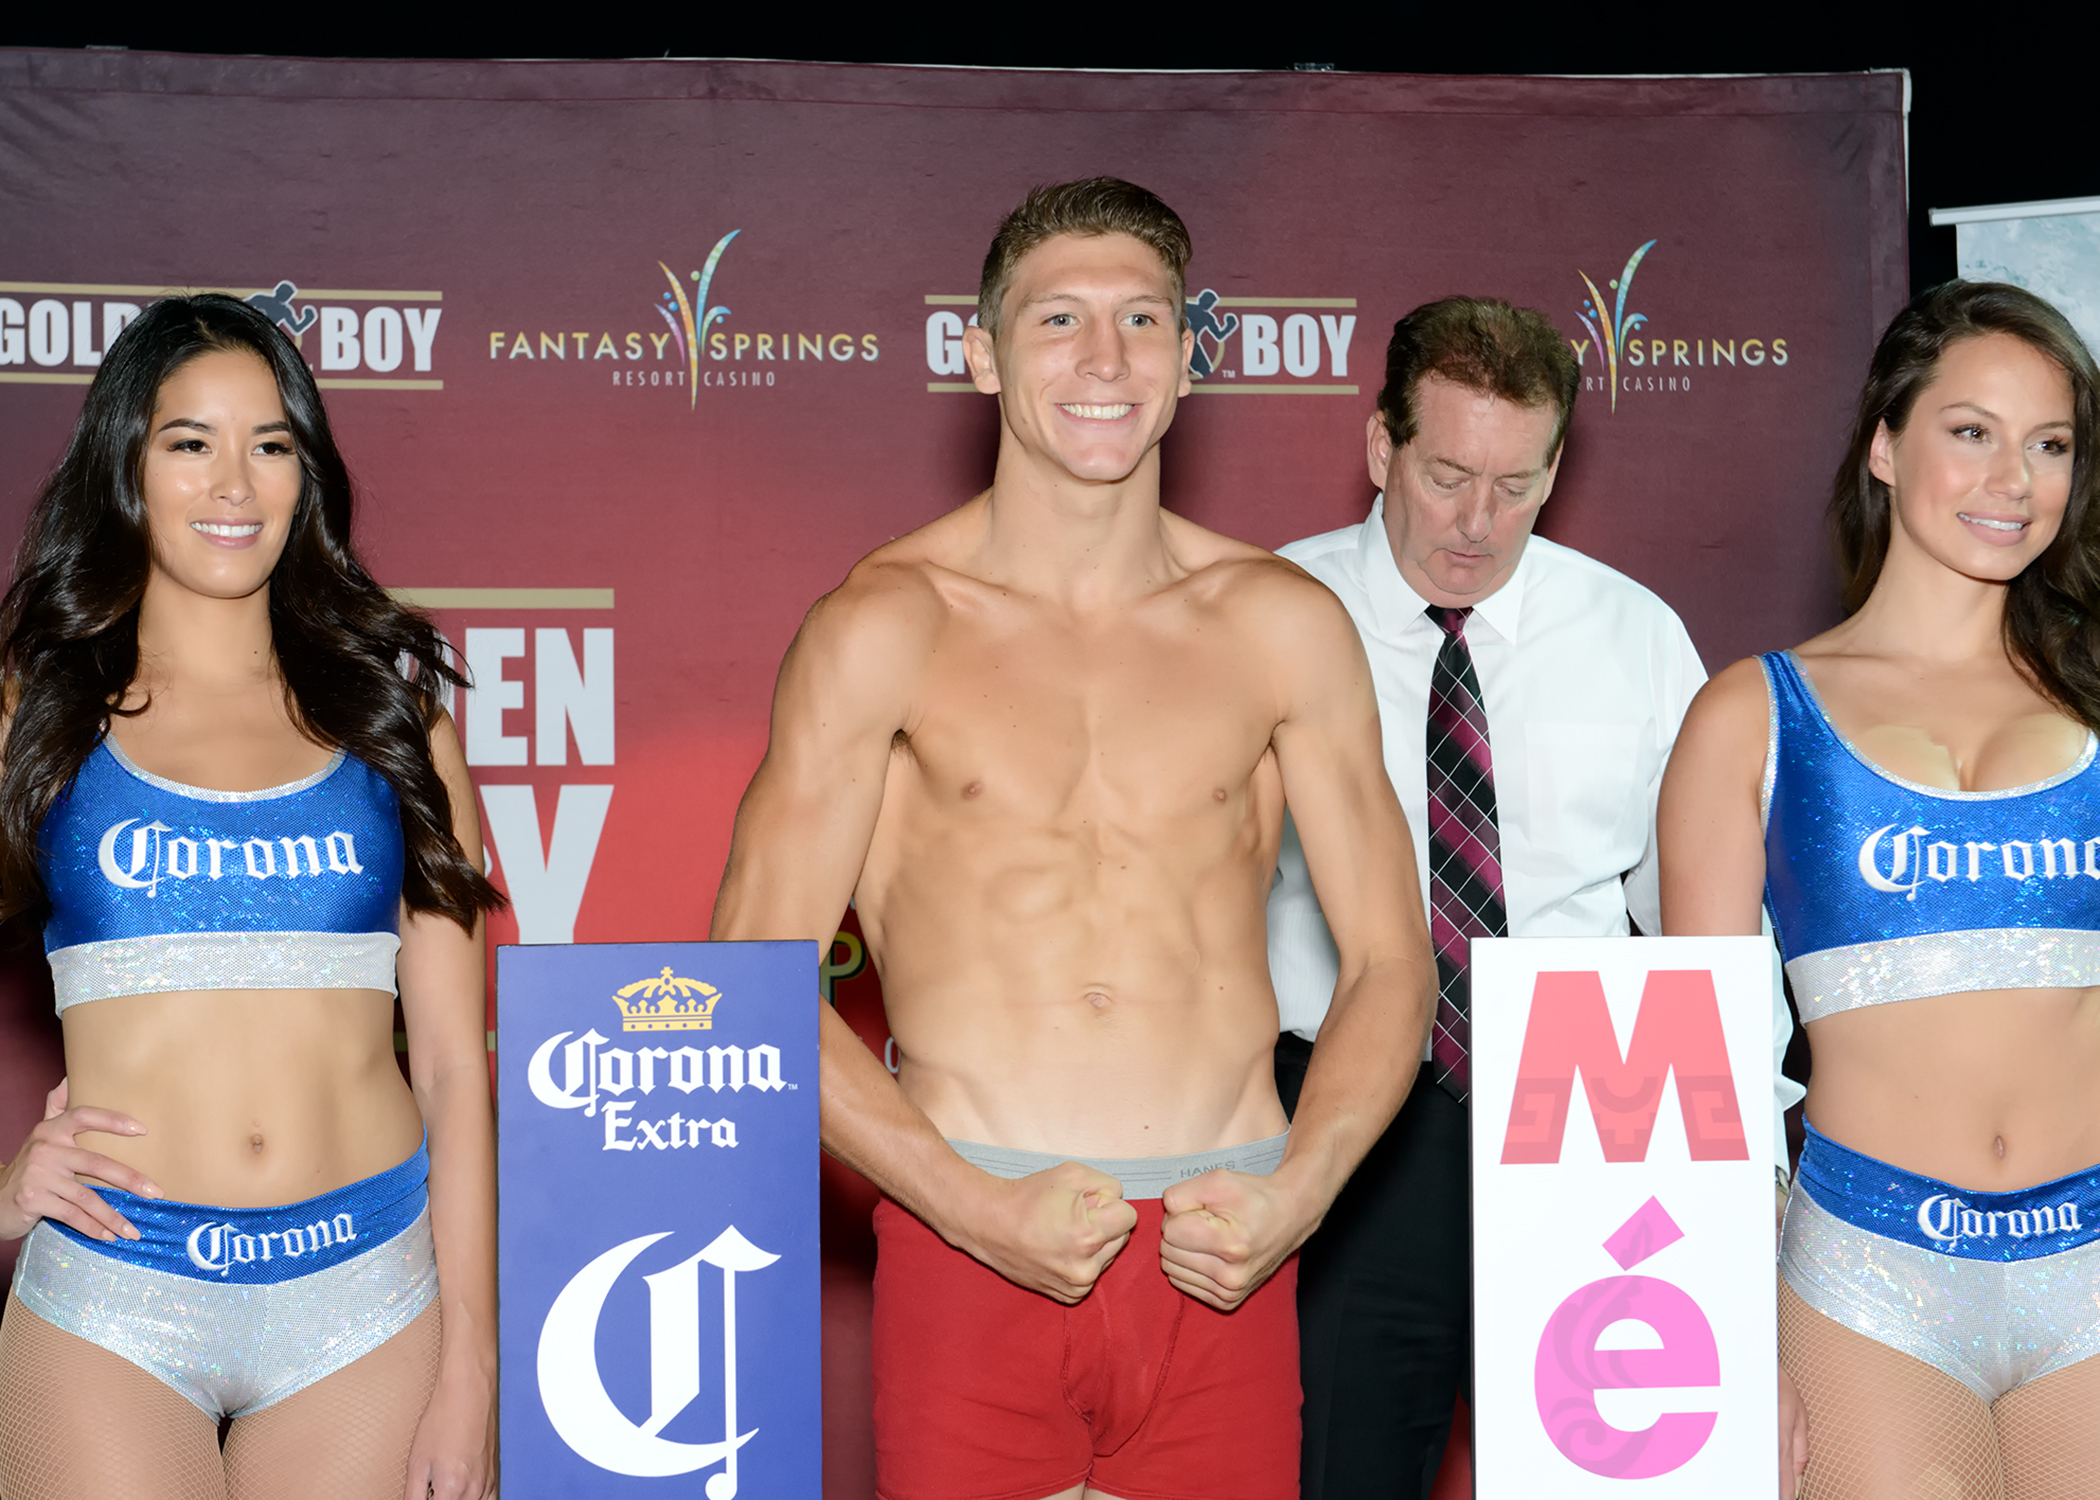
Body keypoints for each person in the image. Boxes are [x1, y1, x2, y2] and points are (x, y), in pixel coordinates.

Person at [710, 177, 1434, 1500]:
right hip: (973, 1238)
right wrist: (969, 1206)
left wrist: (1301, 1193)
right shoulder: (885, 626)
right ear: (980, 354)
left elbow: (1393, 962)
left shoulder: (1280, 624)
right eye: (1058, 320)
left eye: (1143, 320)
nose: (1106, 360)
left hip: (1223, 1245)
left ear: (1188, 357)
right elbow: (749, 985)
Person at [1266, 295, 1803, 1499]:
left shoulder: (1632, 633)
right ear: (1381, 447)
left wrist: (1752, 1160)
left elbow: (1713, 930)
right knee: (1343, 1470)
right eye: (1448, 476)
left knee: (1619, 1477)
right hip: (1347, 1111)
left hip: (1596, 1112)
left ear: (1557, 468)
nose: (1478, 522)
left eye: (1517, 486)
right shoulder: (1272, 613)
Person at [0, 295, 501, 1500]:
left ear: (305, 475)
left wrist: (473, 1365)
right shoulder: (34, 715)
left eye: (270, 444)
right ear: (125, 464)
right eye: (191, 442)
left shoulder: (395, 725)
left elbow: (451, 1063)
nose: (234, 483)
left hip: (366, 1297)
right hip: (115, 1301)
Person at [1661, 280, 2100, 1500]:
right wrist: (1729, 1330)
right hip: (1870, 1283)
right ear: (1884, 446)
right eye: (1972, 432)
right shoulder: (1753, 716)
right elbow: (1703, 1071)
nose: (2014, 480)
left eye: (2050, 444)